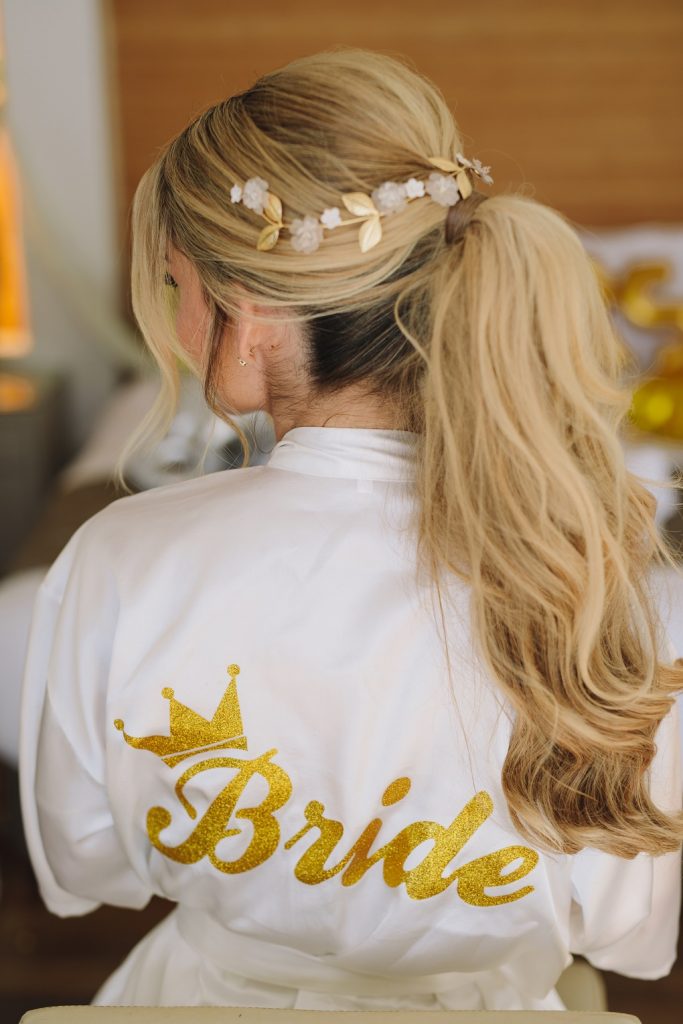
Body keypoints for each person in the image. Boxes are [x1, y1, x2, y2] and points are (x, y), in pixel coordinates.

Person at [19, 47, 683, 1010]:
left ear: (248, 315)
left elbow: (87, 862)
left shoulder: (118, 559)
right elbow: (624, 928)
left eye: (176, 286)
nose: (177, 322)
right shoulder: (612, 580)